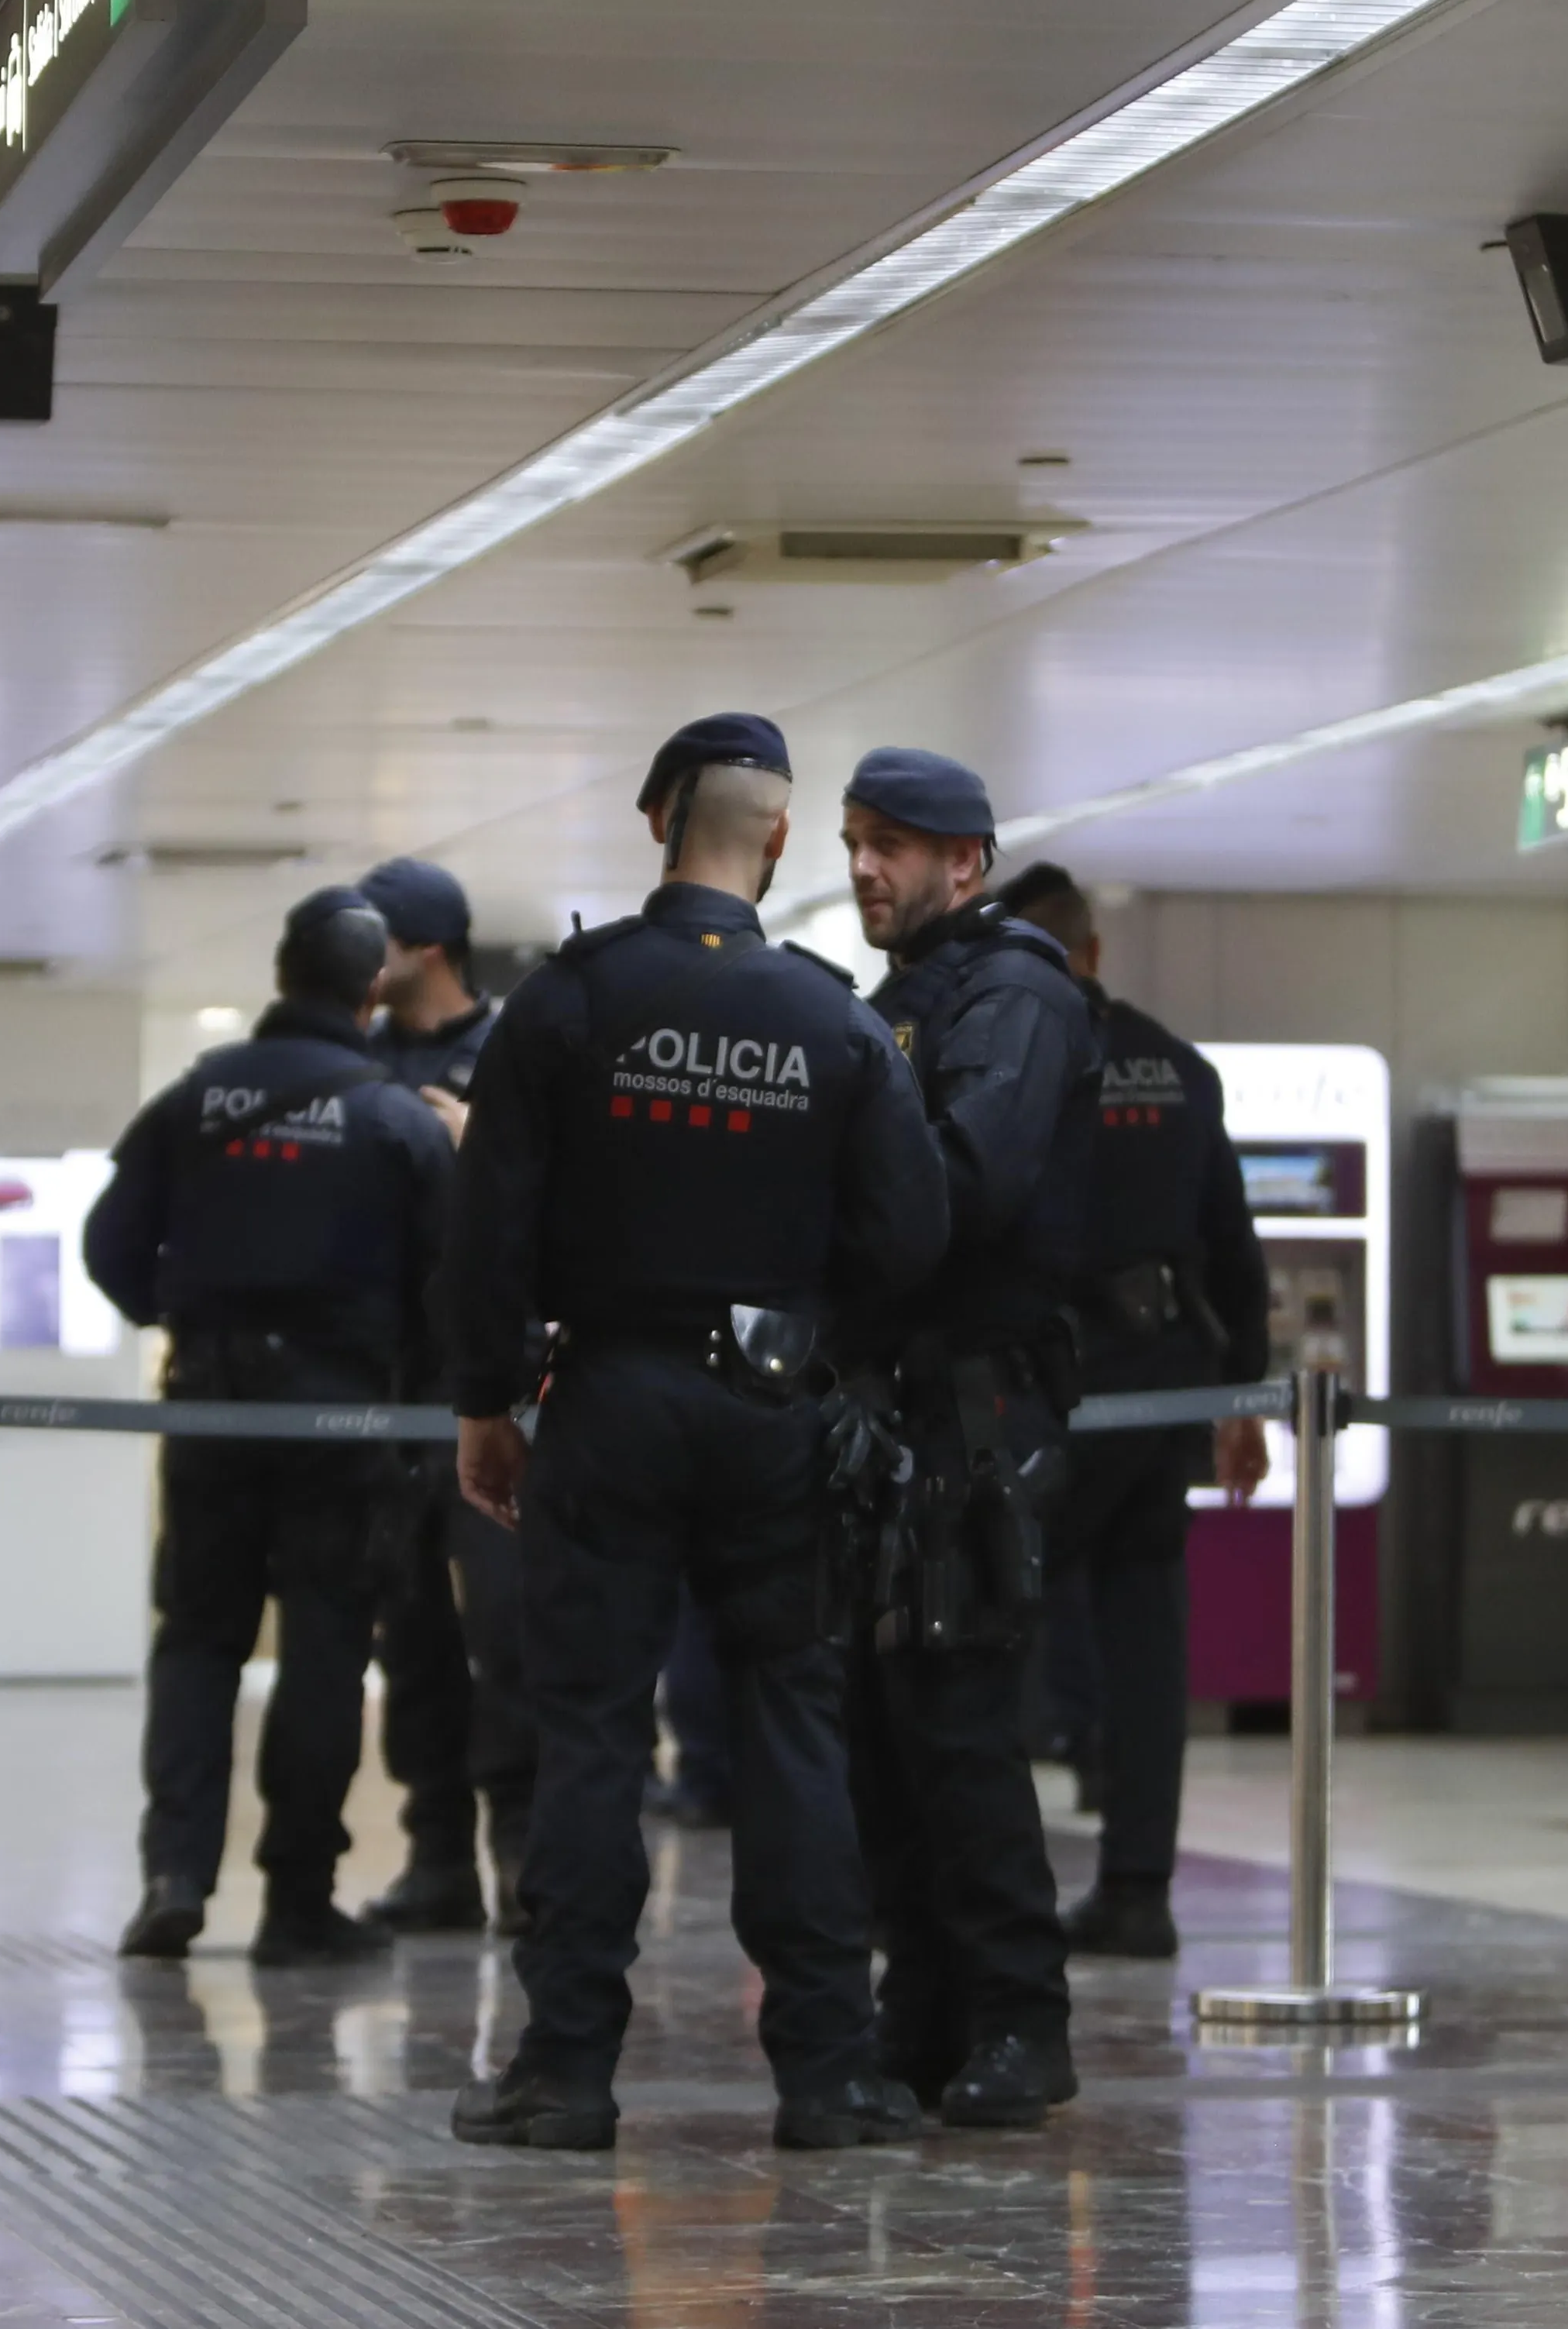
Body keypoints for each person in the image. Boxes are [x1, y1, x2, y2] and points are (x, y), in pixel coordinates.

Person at [445, 712, 947, 2153]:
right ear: (781, 836)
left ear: (657, 815)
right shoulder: (833, 1016)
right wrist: (800, 1311)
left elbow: (485, 1226)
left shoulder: (569, 1002)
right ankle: (830, 2072)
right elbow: (907, 1235)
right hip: (777, 1406)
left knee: (591, 1730)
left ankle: (564, 2071)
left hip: (605, 1401)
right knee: (793, 1723)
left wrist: (487, 1399)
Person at [84, 886, 457, 1967]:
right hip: (344, 1422)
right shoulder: (393, 1118)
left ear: (281, 971)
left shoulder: (193, 1101)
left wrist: (184, 1317)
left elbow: (111, 1246)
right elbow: (450, 1276)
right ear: (370, 985)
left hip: (208, 1403)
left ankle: (174, 1878)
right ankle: (298, 1898)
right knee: (326, 1649)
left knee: (197, 1641)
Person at [834, 747, 1097, 2128]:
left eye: (895, 844)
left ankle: (1016, 2013)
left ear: (965, 863)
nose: (865, 865)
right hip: (894, 1393)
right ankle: (924, 2003)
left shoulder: (1012, 996)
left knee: (957, 1716)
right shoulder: (913, 997)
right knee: (884, 1723)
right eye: (854, 838)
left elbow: (966, 1182)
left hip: (974, 1399)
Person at [990, 864, 1272, 1961]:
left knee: (999, 1636)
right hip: (1166, 1381)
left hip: (1045, 1386)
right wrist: (1245, 1393)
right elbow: (1233, 1247)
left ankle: (1003, 1888)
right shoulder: (1178, 1065)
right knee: (1148, 1639)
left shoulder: (1015, 1055)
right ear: (1096, 951)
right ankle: (1138, 1886)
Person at [353, 855, 509, 1935]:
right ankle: (438, 1854)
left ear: (429, 950)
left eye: (379, 940)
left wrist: (474, 1146)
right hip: (386, 1383)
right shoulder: (353, 1062)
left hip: (488, 1380)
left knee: (512, 1630)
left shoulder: (509, 1055)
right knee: (407, 1629)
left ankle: (532, 1860)